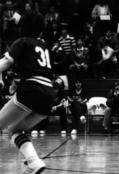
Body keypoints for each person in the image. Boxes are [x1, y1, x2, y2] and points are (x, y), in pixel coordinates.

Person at [0, 12, 56, 173]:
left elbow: (5, 62)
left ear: (22, 27)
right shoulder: (44, 45)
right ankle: (34, 162)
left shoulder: (22, 41)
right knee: (14, 130)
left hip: (32, 88)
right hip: (49, 94)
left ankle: (34, 162)